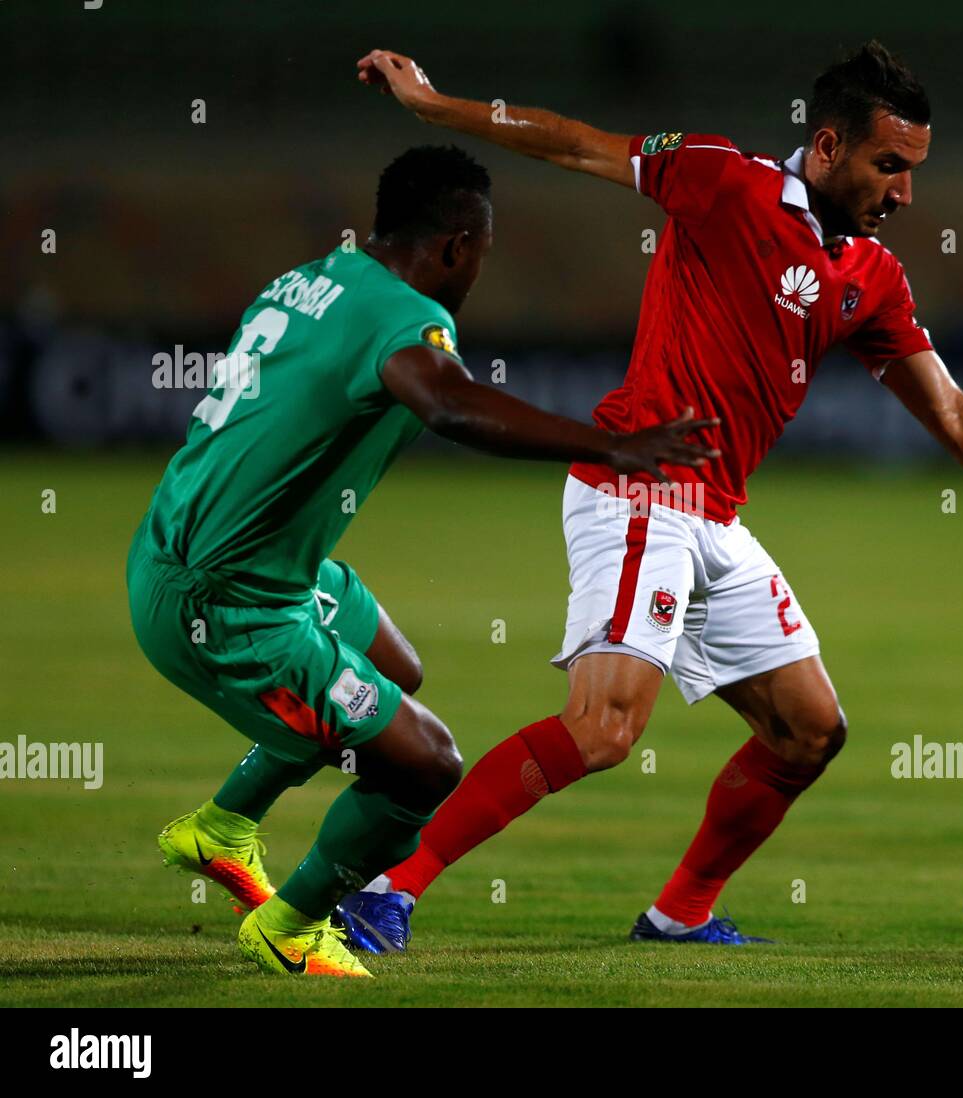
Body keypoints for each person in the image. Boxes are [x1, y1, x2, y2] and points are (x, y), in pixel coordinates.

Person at [336, 41, 963, 952]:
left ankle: (680, 913)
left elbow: (954, 414)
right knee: (604, 729)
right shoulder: (720, 178)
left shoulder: (871, 277)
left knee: (810, 731)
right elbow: (575, 143)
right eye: (889, 166)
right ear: (827, 147)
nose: (905, 193)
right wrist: (435, 106)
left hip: (715, 516)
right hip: (636, 490)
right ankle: (391, 889)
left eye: (913, 171)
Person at [127, 144, 717, 976]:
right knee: (426, 765)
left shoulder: (315, 277)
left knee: (393, 667)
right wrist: (609, 447)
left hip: (209, 555)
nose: (478, 270)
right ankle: (292, 925)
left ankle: (222, 828)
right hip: (226, 604)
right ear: (455, 247)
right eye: (480, 253)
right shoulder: (402, 316)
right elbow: (444, 401)